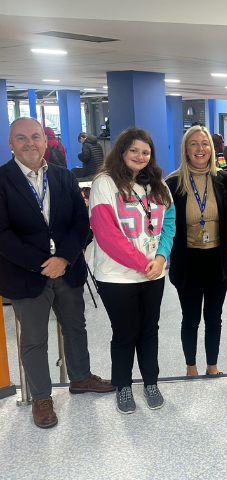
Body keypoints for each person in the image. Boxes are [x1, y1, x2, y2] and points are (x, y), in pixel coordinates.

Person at [0, 117, 114, 429]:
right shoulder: (2, 179)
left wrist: (63, 257)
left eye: (35, 136)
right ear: (11, 144)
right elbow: (3, 234)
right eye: (21, 138)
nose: (30, 143)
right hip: (27, 275)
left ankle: (80, 378)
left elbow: (81, 222)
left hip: (67, 269)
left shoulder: (64, 177)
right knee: (34, 340)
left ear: (45, 140)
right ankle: (41, 397)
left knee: (75, 327)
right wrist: (42, 263)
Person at [89, 127, 176, 414]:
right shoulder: (105, 183)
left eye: (146, 152)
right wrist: (143, 264)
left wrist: (161, 258)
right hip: (117, 277)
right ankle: (123, 386)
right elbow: (106, 234)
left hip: (154, 273)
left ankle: (151, 381)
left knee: (150, 331)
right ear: (122, 151)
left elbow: (169, 222)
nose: (140, 156)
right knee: (126, 333)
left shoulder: (157, 184)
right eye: (134, 150)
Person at [166, 126, 227, 377]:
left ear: (212, 149)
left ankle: (212, 365)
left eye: (205, 144)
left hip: (217, 259)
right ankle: (191, 367)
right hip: (188, 261)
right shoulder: (172, 184)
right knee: (191, 318)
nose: (200, 149)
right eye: (193, 144)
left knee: (214, 317)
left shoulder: (224, 179)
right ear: (185, 149)